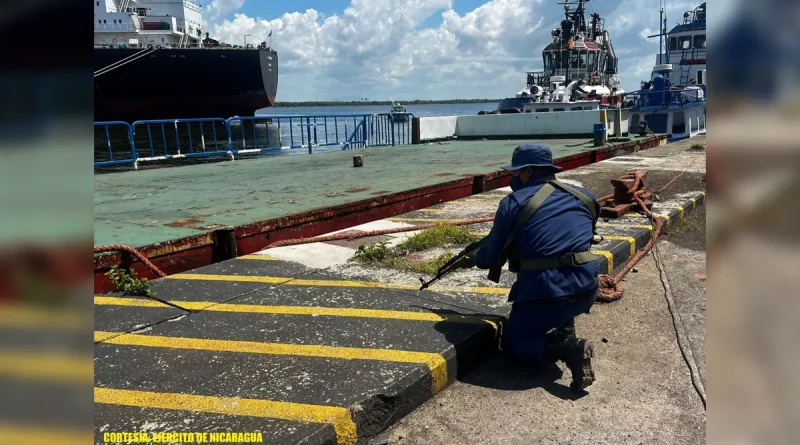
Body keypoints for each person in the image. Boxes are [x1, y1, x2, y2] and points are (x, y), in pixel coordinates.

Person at [455, 143, 601, 392]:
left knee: (514, 345)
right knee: (560, 295)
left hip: (545, 292)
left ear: (529, 171)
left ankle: (567, 348)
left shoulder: (514, 202)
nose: (514, 177)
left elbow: (490, 257)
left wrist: (476, 257)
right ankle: (563, 329)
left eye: (517, 171)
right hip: (586, 287)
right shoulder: (584, 196)